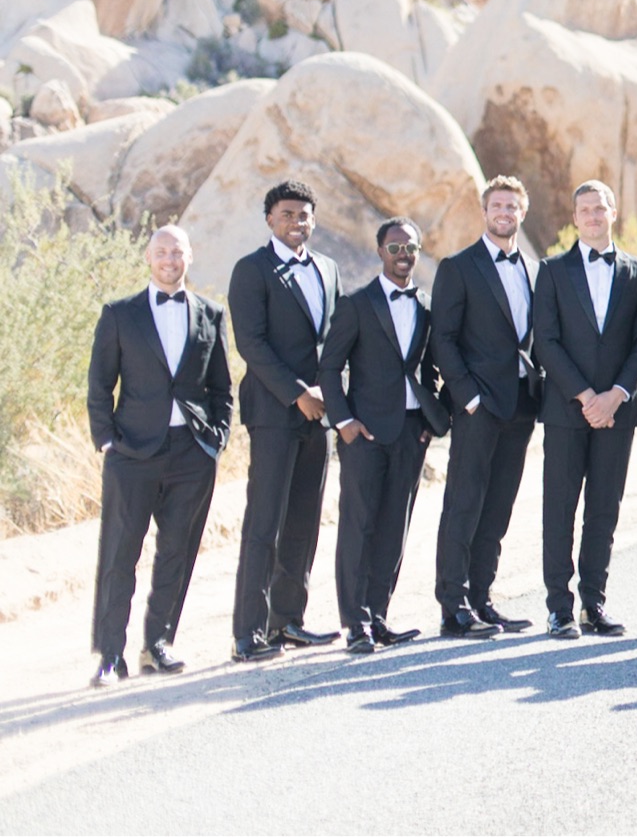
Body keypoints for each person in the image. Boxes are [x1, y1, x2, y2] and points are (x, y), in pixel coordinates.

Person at [86, 226, 231, 687]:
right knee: (119, 553)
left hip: (192, 452)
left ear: (190, 256)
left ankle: (158, 644)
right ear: (149, 257)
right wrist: (107, 439)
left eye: (177, 251)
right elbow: (98, 385)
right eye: (162, 251)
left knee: (177, 551)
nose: (170, 259)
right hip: (132, 451)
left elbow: (221, 388)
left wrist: (217, 439)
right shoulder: (119, 314)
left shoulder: (210, 313)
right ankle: (111, 654)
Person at [317, 218, 450, 653]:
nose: (403, 255)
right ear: (380, 252)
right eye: (395, 248)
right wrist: (344, 422)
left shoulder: (427, 306)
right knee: (359, 525)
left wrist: (431, 421)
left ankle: (378, 616)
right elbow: (329, 367)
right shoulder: (357, 304)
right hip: (365, 434)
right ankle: (354, 624)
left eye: (410, 247)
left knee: (396, 525)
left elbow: (430, 368)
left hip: (411, 434)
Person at [534, 181, 637, 639]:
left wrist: (617, 394)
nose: (593, 216)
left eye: (600, 208)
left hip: (618, 411)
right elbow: (546, 341)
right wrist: (586, 397)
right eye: (584, 209)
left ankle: (594, 605)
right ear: (575, 216)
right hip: (568, 411)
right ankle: (559, 608)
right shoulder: (553, 270)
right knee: (559, 510)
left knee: (604, 511)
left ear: (613, 212)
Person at [229, 180, 341, 661]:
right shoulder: (252, 270)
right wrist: (298, 395)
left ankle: (288, 622)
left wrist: (332, 396)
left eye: (305, 214)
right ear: (271, 219)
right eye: (288, 213)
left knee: (303, 521)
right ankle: (247, 633)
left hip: (320, 416)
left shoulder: (328, 269)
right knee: (264, 522)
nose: (298, 221)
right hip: (275, 412)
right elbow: (251, 344)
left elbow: (334, 341)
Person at [433, 175, 542, 638]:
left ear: (522, 212)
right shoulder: (459, 267)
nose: (504, 212)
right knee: (465, 502)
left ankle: (482, 599)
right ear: (484, 211)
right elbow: (442, 339)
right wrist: (468, 397)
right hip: (478, 405)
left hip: (522, 404)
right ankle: (453, 606)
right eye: (497, 205)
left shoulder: (535, 269)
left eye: (512, 206)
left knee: (498, 506)